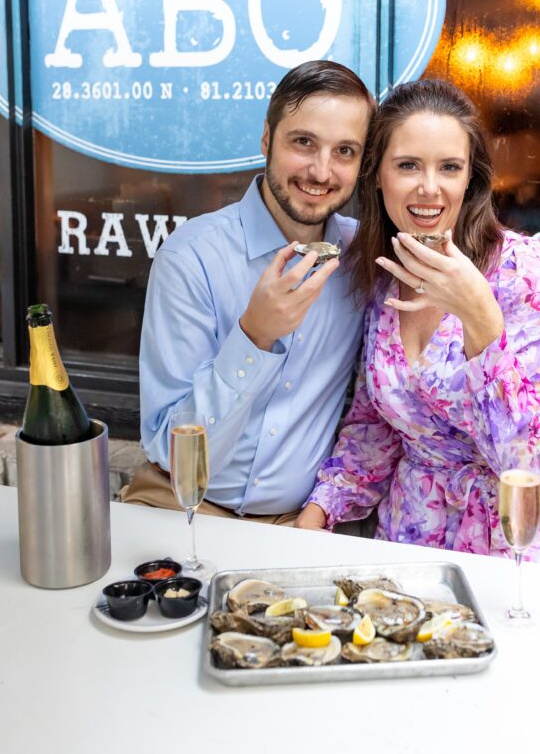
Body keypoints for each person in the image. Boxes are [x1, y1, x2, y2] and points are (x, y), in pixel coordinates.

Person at [297, 79, 540, 569]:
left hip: (519, 545)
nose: (429, 188)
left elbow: (523, 459)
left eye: (449, 168)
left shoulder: (527, 272)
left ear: (470, 179)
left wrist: (480, 317)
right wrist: (318, 512)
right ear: (377, 176)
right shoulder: (382, 277)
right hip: (412, 538)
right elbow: (375, 427)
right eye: (408, 166)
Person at [122, 60, 375, 524]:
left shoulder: (365, 261)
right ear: (266, 139)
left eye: (344, 151)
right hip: (175, 499)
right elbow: (174, 453)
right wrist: (254, 337)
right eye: (304, 142)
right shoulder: (189, 258)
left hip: (294, 520)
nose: (321, 171)